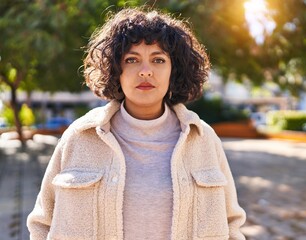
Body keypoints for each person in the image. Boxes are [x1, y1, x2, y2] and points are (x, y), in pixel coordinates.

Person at [27, 7, 246, 240]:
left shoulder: (203, 139)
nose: (145, 71)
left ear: (175, 71)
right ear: (115, 70)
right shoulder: (79, 137)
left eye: (158, 59)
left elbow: (231, 224)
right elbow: (42, 224)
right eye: (132, 59)